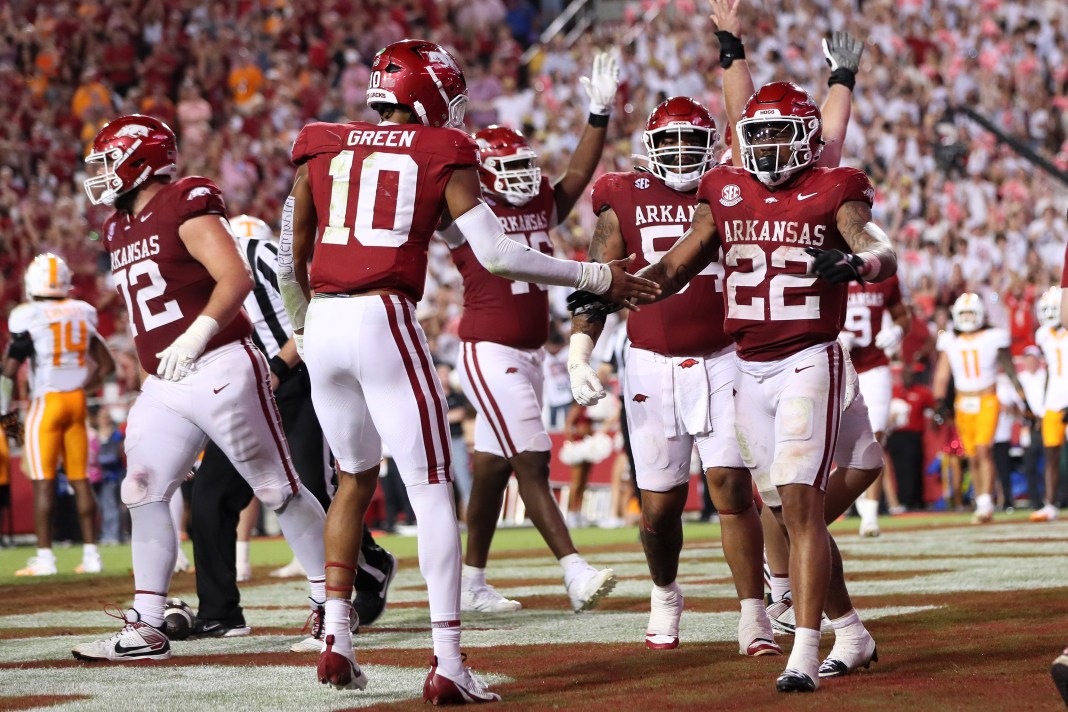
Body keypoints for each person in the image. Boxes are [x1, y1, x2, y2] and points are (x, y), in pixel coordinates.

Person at [278, 40, 657, 702]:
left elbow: (291, 255)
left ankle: (336, 635)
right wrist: (596, 273)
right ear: (428, 97)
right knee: (429, 490)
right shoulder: (440, 152)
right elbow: (499, 254)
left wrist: (303, 326)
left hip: (325, 325)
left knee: (351, 484)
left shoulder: (322, 143)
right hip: (382, 317)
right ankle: (448, 661)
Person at [597, 81, 892, 692]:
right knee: (786, 508)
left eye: (780, 131)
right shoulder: (725, 189)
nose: (767, 143)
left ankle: (804, 651)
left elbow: (874, 242)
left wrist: (860, 263)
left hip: (810, 353)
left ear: (808, 138)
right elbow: (679, 263)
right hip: (748, 366)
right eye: (756, 132)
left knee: (800, 505)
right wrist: (615, 287)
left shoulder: (834, 187)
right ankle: (852, 631)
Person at [71, 114, 328, 663]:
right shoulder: (118, 226)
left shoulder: (183, 201)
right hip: (167, 380)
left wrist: (198, 332)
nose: (101, 175)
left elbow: (234, 276)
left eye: (109, 160)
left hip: (219, 365)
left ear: (140, 160)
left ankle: (331, 603)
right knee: (140, 486)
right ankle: (145, 624)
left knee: (277, 488)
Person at [569, 94, 777, 657]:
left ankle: (753, 613)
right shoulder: (622, 195)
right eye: (671, 141)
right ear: (650, 150)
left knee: (732, 487)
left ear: (713, 145)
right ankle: (665, 591)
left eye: (693, 141)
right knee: (659, 508)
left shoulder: (732, 188)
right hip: (651, 363)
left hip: (726, 356)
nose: (683, 152)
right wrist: (579, 350)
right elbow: (599, 276)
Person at [448, 50, 621, 615]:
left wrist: (598, 114)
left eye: (527, 164)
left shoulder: (541, 202)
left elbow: (574, 176)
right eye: (510, 167)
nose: (524, 176)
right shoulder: (464, 211)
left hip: (529, 353)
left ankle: (471, 583)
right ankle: (574, 570)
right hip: (487, 349)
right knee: (533, 458)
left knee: (494, 468)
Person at [189, 213, 397, 646]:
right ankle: (218, 612)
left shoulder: (257, 253)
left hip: (295, 380)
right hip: (241, 391)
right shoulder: (193, 275)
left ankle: (368, 569)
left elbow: (312, 315)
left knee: (312, 488)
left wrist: (280, 366)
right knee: (211, 494)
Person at [1, 253, 114, 576]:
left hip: (46, 403)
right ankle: (92, 555)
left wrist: (5, 418)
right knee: (80, 480)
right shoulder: (83, 312)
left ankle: (45, 558)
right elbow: (105, 366)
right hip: (75, 401)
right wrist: (82, 387)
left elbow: (8, 373)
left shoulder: (28, 314)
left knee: (43, 482)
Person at [932, 293, 1033, 523]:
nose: (967, 318)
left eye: (970, 313)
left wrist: (1022, 398)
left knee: (984, 448)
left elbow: (1009, 369)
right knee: (971, 454)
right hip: (962, 401)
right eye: (964, 313)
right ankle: (981, 500)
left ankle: (986, 502)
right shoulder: (950, 340)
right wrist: (939, 402)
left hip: (987, 398)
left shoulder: (993, 336)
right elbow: (942, 373)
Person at [840, 274, 910, 536]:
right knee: (841, 440)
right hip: (839, 365)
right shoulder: (829, 271)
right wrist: (836, 335)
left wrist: (897, 330)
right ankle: (851, 495)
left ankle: (869, 514)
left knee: (875, 438)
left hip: (875, 367)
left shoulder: (883, 277)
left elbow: (904, 316)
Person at [1032, 287, 1066, 521]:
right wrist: (1042, 405)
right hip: (1053, 399)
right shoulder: (1042, 334)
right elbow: (1047, 372)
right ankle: (1050, 504)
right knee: (1051, 452)